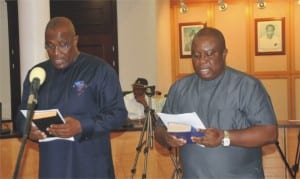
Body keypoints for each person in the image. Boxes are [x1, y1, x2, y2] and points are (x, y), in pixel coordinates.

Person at [154, 27, 278, 178]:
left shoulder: (247, 86)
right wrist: (166, 137)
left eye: (209, 54)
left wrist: (224, 137)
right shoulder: (179, 88)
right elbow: (160, 128)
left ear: (224, 54)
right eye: (196, 55)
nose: (202, 61)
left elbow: (269, 133)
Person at [15, 17, 127, 178]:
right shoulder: (37, 74)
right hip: (52, 167)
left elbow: (119, 114)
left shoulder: (99, 70)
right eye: (50, 46)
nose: (56, 53)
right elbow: (21, 114)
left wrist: (82, 126)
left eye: (63, 45)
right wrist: (27, 128)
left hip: (91, 167)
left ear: (75, 41)